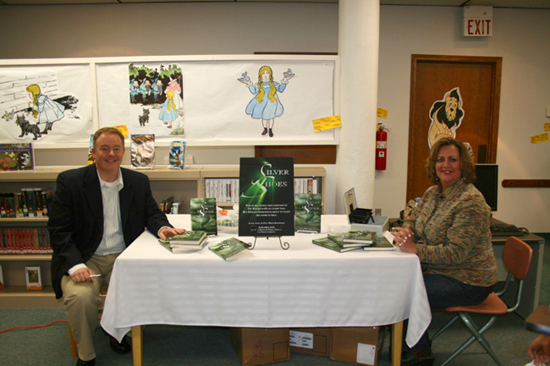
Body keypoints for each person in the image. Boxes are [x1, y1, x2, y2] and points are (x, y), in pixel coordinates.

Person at [48, 127, 185, 366]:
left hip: (125, 256)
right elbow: (59, 231)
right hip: (85, 257)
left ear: (123, 152)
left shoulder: (137, 181)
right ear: (93, 152)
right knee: (81, 297)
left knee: (140, 286)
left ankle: (117, 332)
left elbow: (151, 213)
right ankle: (86, 355)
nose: (110, 154)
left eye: (116, 149)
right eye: (104, 148)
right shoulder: (70, 182)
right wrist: (75, 265)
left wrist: (163, 228)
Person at [391, 137, 498, 366]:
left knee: (407, 290)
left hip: (468, 280)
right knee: (399, 282)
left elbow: (455, 253)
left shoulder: (470, 201)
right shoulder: (432, 193)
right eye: (440, 159)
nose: (445, 165)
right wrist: (407, 230)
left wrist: (414, 248)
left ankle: (419, 353)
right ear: (434, 164)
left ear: (464, 165)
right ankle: (406, 343)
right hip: (439, 271)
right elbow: (415, 219)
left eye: (452, 159)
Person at [239, 66, 294, 138]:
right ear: (260, 75)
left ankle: (270, 129)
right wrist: (249, 83)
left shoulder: (273, 84)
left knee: (271, 116)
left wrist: (284, 80)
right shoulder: (259, 84)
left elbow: (281, 89)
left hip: (272, 102)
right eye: (263, 74)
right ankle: (265, 129)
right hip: (261, 102)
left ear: (270, 75)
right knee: (264, 117)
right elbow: (253, 91)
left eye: (267, 73)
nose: (265, 75)